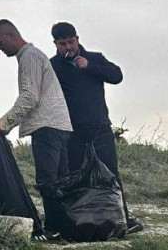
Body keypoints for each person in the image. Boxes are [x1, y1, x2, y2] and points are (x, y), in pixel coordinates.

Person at [48, 21, 141, 234]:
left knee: (110, 173)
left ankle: (122, 219)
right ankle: (80, 220)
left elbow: (117, 76)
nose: (68, 47)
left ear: (77, 39)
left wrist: (90, 68)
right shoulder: (52, 66)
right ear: (55, 44)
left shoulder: (95, 58)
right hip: (72, 132)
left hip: (100, 128)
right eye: (63, 44)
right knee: (75, 175)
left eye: (71, 42)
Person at [0, 19, 73, 240]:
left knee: (48, 180)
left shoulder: (29, 56)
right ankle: (66, 226)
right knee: (61, 179)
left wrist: (3, 124)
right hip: (60, 125)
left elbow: (29, 97)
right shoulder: (32, 56)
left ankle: (53, 229)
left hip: (47, 125)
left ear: (11, 36)